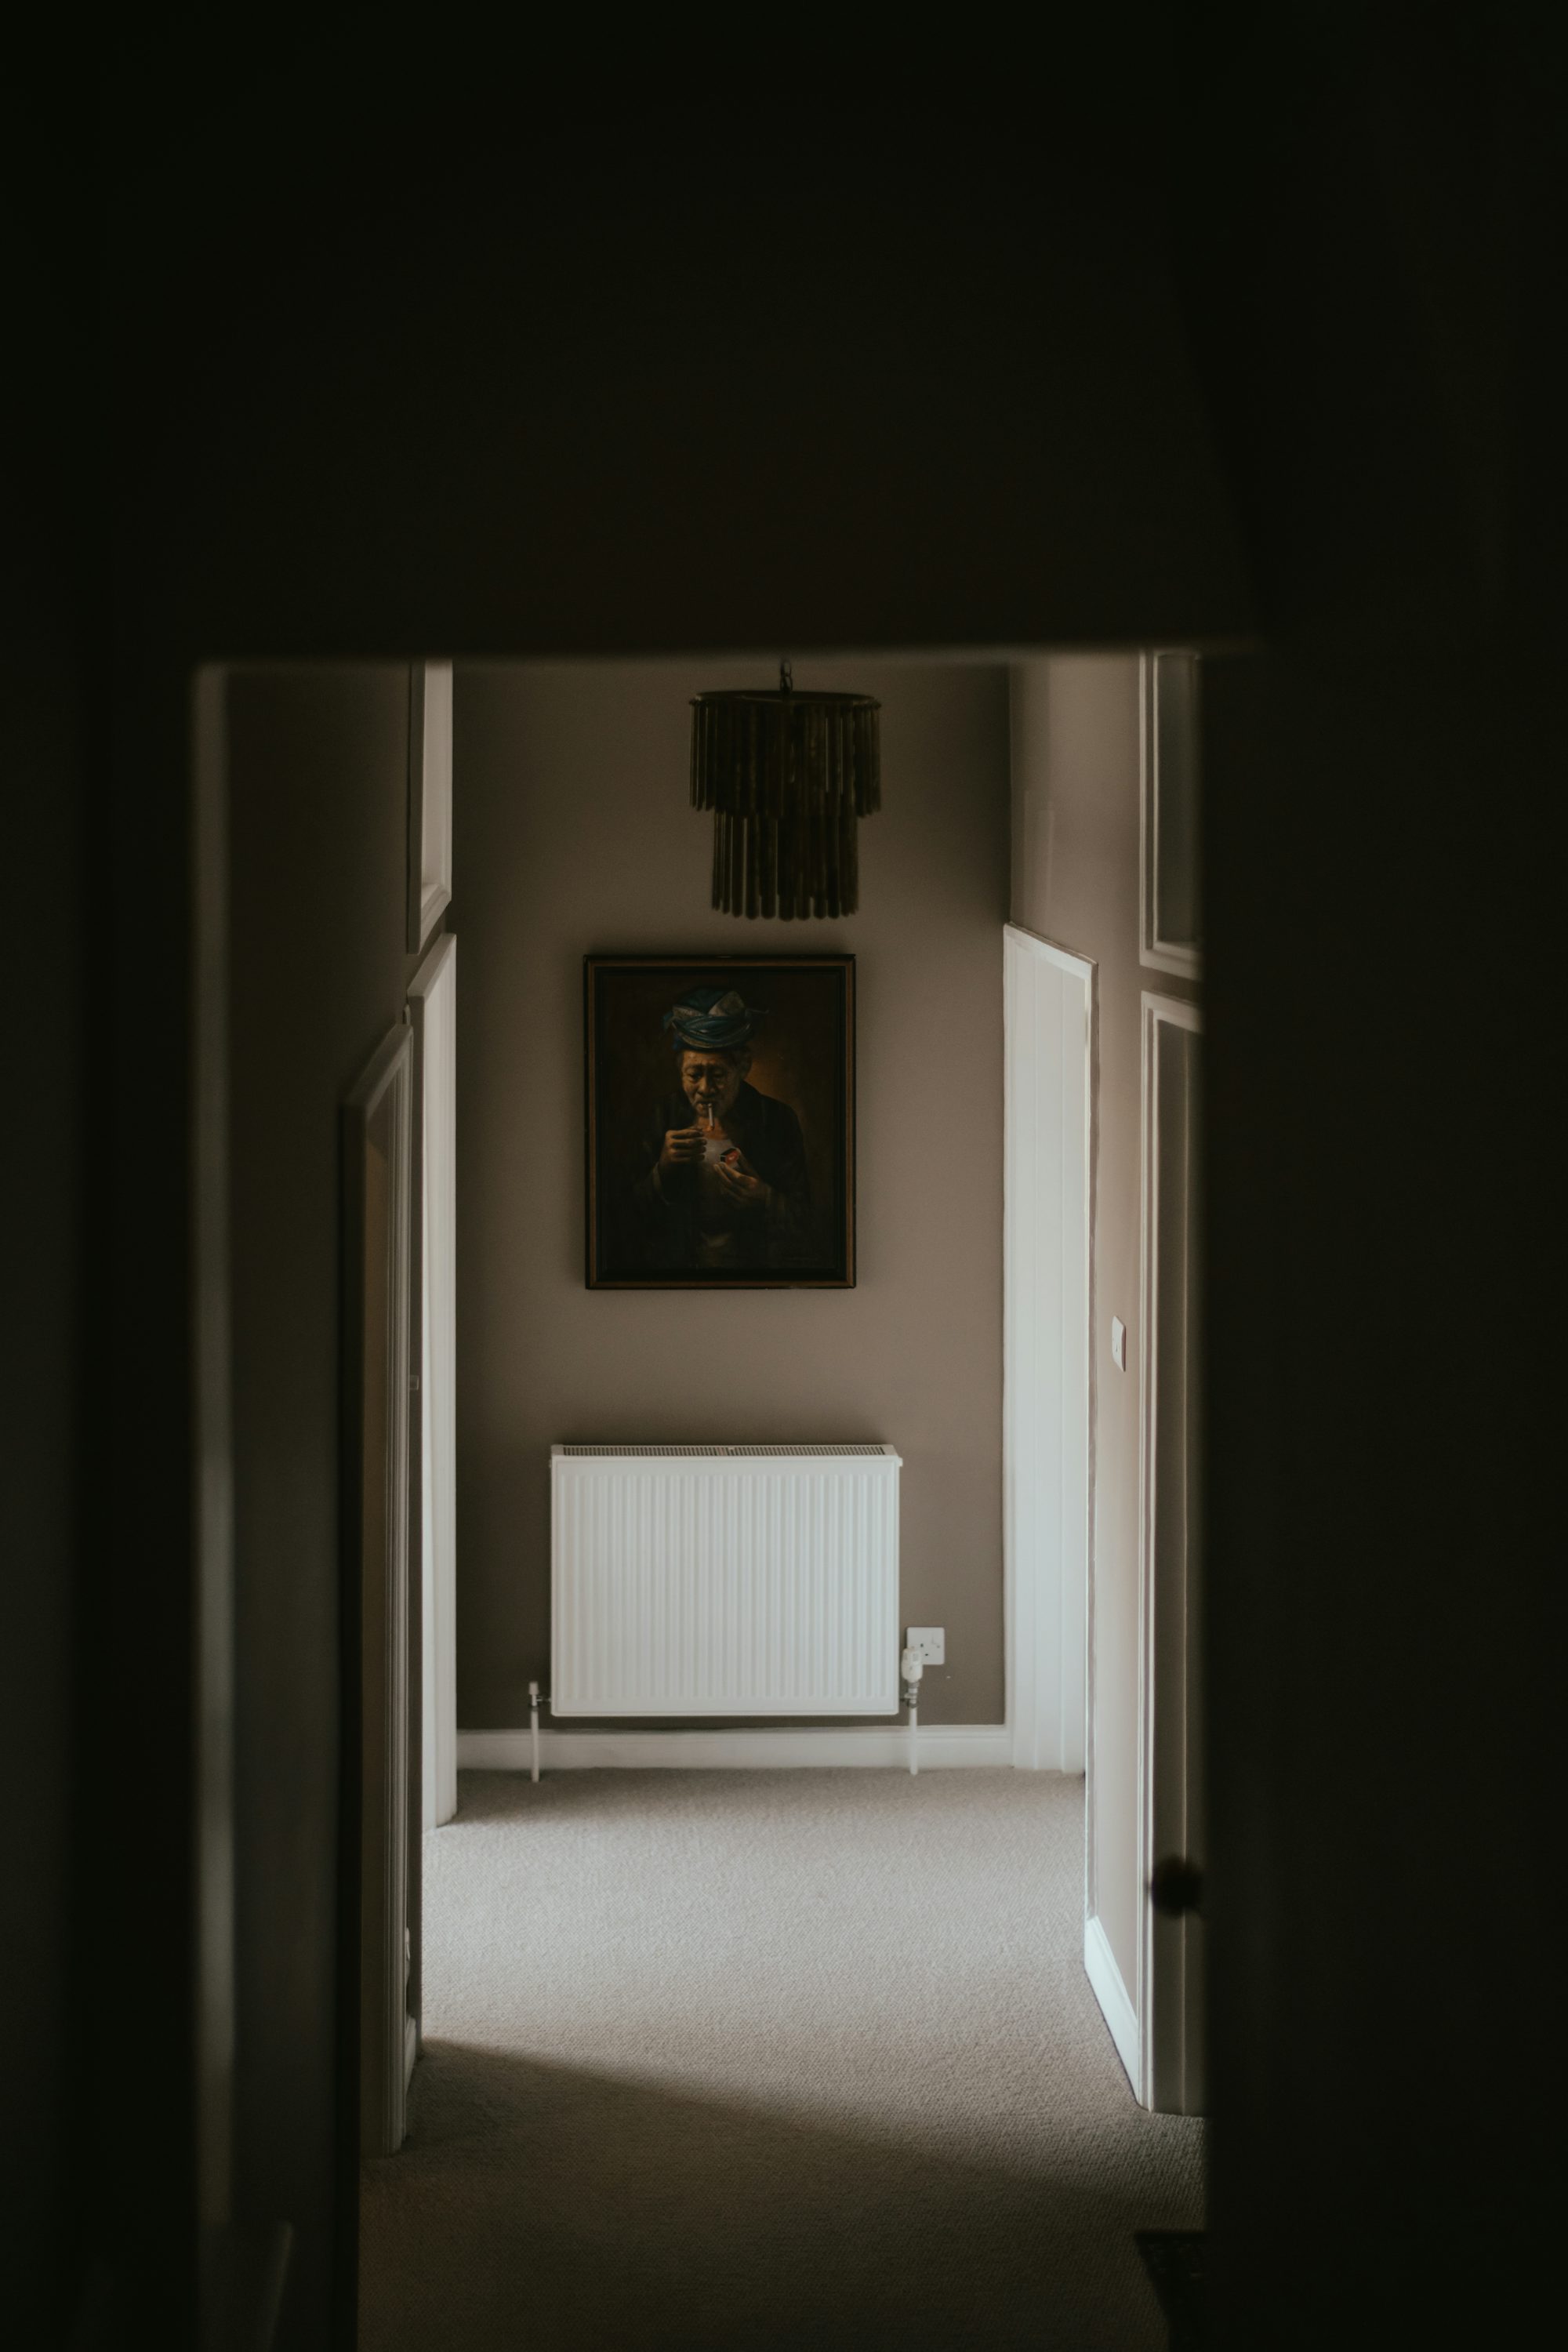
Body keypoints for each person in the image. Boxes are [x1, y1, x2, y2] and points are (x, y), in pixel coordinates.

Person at [624, 986, 812, 1272]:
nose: (705, 1090)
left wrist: (764, 1197)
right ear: (679, 1068)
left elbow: (807, 1222)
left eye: (718, 1074)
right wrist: (662, 1170)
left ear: (744, 1066)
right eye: (694, 1074)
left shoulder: (776, 1120)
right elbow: (625, 1218)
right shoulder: (663, 1116)